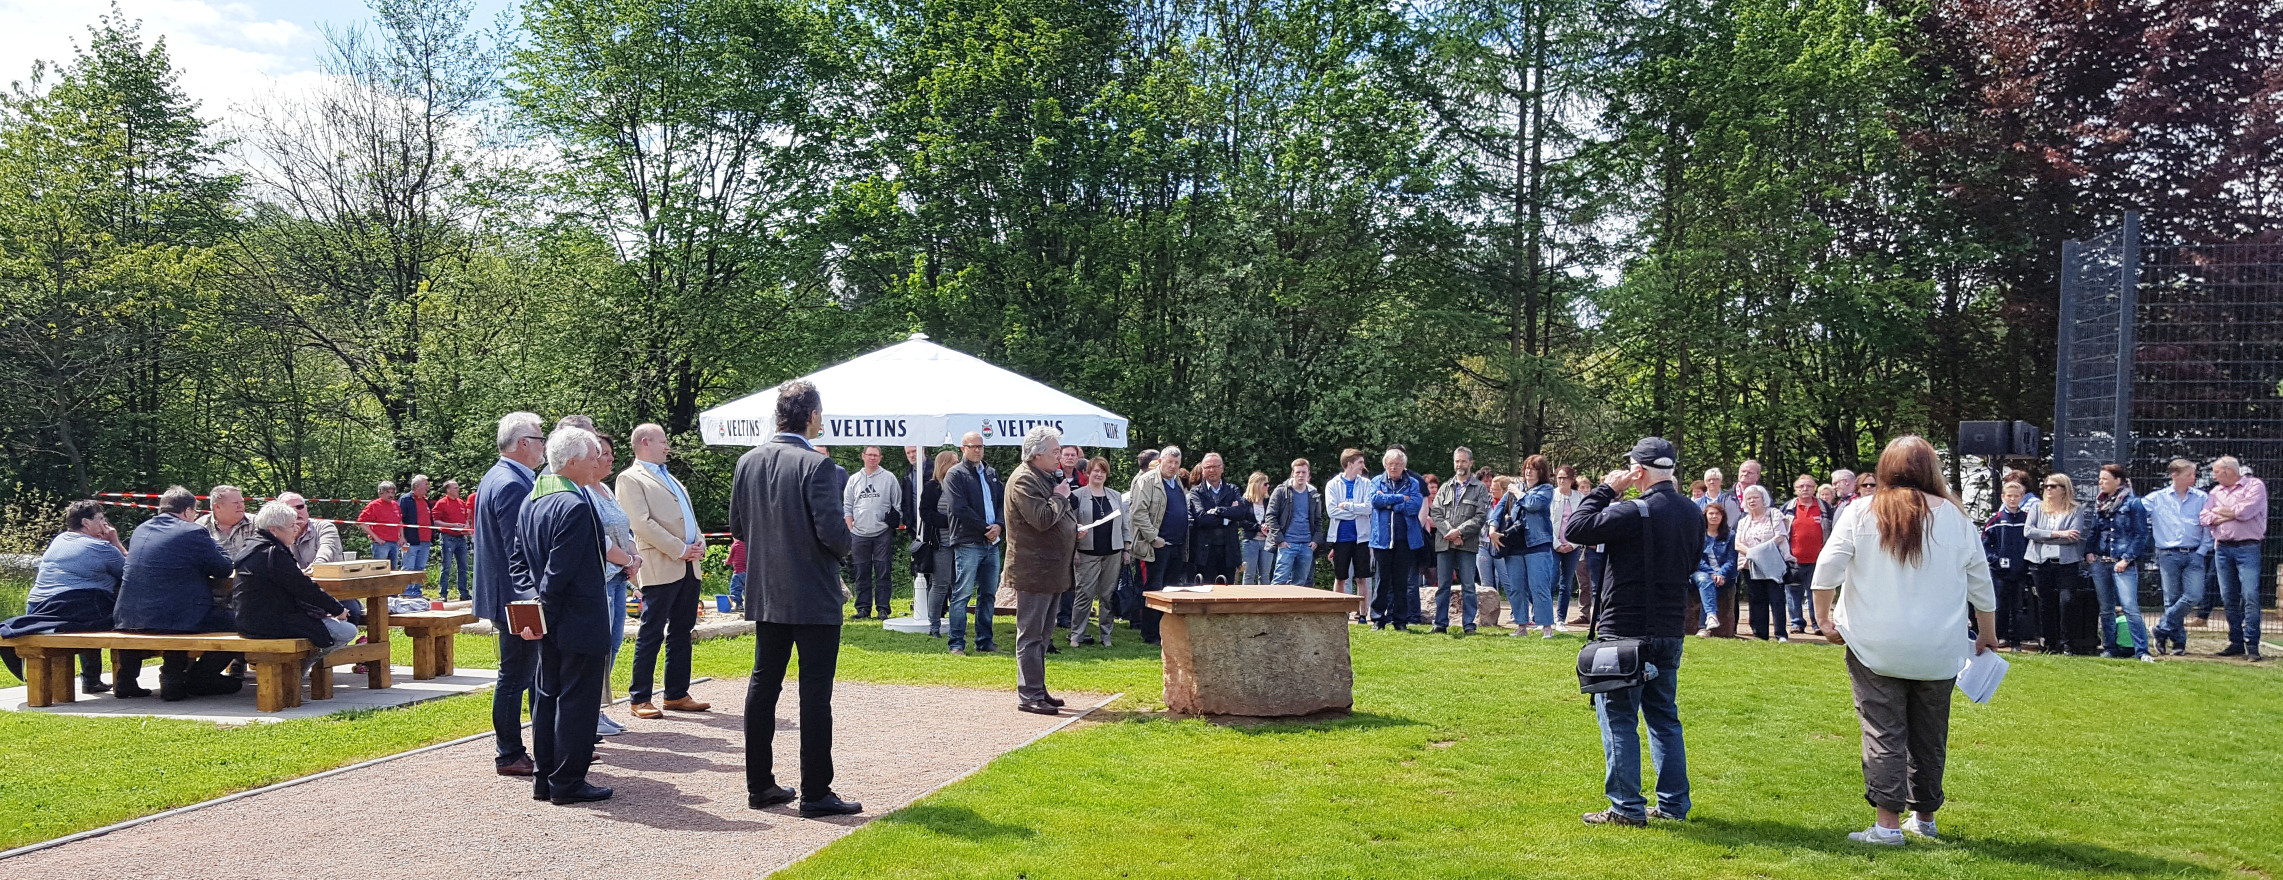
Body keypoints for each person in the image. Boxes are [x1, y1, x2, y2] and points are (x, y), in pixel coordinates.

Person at [1810, 435, 1997, 845]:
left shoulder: (1862, 510)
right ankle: (1924, 818)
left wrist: (1824, 619)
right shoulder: (1955, 517)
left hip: (1874, 645)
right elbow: (1981, 584)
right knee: (1930, 733)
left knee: (1883, 730)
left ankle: (1887, 826)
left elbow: (1826, 570)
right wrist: (1987, 632)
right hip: (1939, 648)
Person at [728, 379, 861, 818]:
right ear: (812, 416)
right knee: (814, 693)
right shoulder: (817, 465)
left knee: (763, 685)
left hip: (767, 591)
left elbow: (739, 527)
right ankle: (816, 792)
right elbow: (833, 534)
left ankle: (760, 784)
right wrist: (848, 542)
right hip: (812, 594)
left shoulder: (747, 461)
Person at [1565, 437, 1700, 827]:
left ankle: (1625, 807)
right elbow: (1693, 562)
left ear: (1637, 470)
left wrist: (1607, 489)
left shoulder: (1632, 510)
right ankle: (1673, 805)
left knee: (1618, 716)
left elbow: (1576, 528)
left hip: (1624, 629)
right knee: (1664, 717)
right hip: (1670, 628)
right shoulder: (1692, 512)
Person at [508, 426, 616, 806]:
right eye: (593, 457)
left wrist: (533, 611)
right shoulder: (574, 505)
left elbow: (518, 564)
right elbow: (559, 571)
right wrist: (543, 611)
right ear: (571, 462)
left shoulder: (532, 501)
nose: (598, 464)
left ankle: (545, 779)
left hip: (548, 621)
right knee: (576, 703)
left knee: (547, 697)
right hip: (577, 620)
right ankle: (568, 782)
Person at [617, 422, 712, 719]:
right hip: (660, 565)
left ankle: (676, 693)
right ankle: (640, 697)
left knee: (683, 630)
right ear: (645, 442)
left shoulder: (672, 478)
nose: (668, 446)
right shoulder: (630, 478)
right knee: (652, 630)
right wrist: (680, 549)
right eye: (663, 441)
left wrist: (699, 543)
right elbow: (640, 523)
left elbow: (688, 517)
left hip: (689, 565)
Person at [113, 486, 242, 701]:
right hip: (175, 617)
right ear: (188, 511)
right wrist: (211, 542)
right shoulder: (193, 532)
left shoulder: (141, 530)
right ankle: (197, 677)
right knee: (240, 622)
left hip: (129, 615)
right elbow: (224, 568)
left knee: (172, 611)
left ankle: (126, 680)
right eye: (194, 513)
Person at [475, 411, 548, 777]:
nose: (544, 446)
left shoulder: (499, 476)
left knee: (524, 674)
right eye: (540, 439)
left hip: (506, 594)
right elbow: (517, 550)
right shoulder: (511, 484)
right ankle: (509, 753)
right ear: (522, 443)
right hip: (515, 599)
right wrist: (531, 601)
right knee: (515, 677)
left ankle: (543, 746)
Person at [0, 500, 127, 694]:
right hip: (67, 609)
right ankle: (101, 679)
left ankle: (91, 679)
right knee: (101, 612)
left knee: (91, 608)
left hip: (36, 607)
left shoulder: (59, 540)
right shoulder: (101, 548)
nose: (106, 525)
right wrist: (116, 543)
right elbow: (131, 573)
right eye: (101, 519)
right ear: (86, 523)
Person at [232, 501, 361, 681]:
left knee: (323, 624)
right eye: (291, 525)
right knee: (347, 631)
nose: (296, 528)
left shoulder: (252, 546)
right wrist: (338, 610)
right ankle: (297, 671)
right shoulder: (273, 553)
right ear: (274, 530)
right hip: (271, 624)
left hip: (247, 620)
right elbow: (305, 589)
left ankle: (294, 671)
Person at [1004, 426, 1079, 715]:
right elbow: (1042, 518)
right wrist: (1060, 497)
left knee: (1043, 636)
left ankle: (1038, 689)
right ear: (1037, 455)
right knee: (1031, 635)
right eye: (1055, 452)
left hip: (1050, 569)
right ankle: (1029, 695)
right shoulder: (1024, 479)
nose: (1060, 456)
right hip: (1034, 569)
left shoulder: (1043, 477)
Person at [586, 434, 642, 736]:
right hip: (602, 579)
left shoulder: (605, 489)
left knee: (613, 645)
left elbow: (624, 528)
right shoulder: (585, 493)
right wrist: (627, 559)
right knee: (599, 648)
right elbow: (600, 540)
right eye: (604, 453)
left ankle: (595, 707)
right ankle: (587, 712)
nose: (610, 458)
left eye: (611, 453)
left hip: (618, 578)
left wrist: (634, 555)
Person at [943, 431, 1007, 655]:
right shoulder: (955, 474)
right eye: (973, 446)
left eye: (981, 446)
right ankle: (956, 643)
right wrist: (986, 529)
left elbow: (1002, 502)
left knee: (989, 594)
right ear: (963, 449)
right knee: (962, 594)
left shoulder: (991, 473)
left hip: (992, 542)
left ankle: (985, 641)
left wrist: (999, 525)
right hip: (969, 541)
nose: (978, 450)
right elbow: (959, 508)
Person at [2082, 463, 2153, 661]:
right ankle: (2110, 648)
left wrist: (2127, 559)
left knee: (2130, 606)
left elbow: (2141, 535)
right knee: (2106, 608)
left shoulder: (2133, 503)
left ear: (2118, 480)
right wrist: (2089, 551)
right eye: (2100, 479)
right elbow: (2095, 530)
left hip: (2122, 562)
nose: (2100, 482)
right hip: (2100, 561)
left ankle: (2142, 651)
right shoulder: (2100, 503)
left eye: (2105, 479)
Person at [2199, 456, 2266, 660]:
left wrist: (2219, 513)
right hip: (2222, 548)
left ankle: (2252, 643)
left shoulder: (2254, 486)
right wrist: (2228, 514)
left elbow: (2246, 511)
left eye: (2216, 472)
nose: (2213, 476)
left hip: (2248, 547)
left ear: (2228, 471)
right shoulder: (2215, 492)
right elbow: (2204, 517)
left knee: (2250, 595)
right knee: (2228, 597)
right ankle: (2236, 641)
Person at [2146, 459, 2212, 655]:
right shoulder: (2157, 498)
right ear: (2174, 475)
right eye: (2189, 474)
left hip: (2194, 553)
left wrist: (2202, 551)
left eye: (2194, 474)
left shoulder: (2202, 498)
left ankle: (2161, 628)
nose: (2194, 478)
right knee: (2172, 598)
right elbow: (2135, 510)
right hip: (2168, 554)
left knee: (2194, 595)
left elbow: (2207, 527)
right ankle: (2178, 643)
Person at [1492, 455, 1558, 637]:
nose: (1528, 471)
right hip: (1514, 545)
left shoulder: (1546, 489)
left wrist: (1517, 492)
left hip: (1538, 544)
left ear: (1541, 472)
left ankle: (1546, 627)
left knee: (1539, 586)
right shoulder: (1516, 488)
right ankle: (1521, 626)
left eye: (1533, 468)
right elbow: (1498, 511)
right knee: (1516, 587)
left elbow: (1532, 504)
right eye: (1527, 468)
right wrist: (1492, 530)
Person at [1128, 446, 1189, 644]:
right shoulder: (1147, 481)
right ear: (1160, 461)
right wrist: (1153, 537)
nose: (1173, 466)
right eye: (1169, 462)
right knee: (1154, 590)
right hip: (1156, 547)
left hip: (1176, 545)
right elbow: (1138, 512)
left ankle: (1166, 632)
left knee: (1170, 590)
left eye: (1176, 463)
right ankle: (1150, 634)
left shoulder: (1176, 482)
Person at [2024, 473, 2089, 655]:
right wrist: (2059, 534)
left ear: (2064, 489)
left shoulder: (2076, 510)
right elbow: (2028, 532)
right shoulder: (2037, 508)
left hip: (2066, 563)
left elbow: (2073, 536)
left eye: (2053, 486)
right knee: (2045, 602)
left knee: (2067, 601)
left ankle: (2068, 643)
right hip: (2040, 562)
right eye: (2046, 486)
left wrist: (2043, 536)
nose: (2048, 490)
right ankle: (2050, 644)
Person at [1429, 448, 1492, 635]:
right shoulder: (1445, 487)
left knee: (1468, 586)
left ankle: (1469, 625)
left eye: (1463, 461)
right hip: (1444, 542)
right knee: (1443, 585)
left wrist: (1460, 532)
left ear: (1471, 463)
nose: (1459, 465)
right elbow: (1436, 512)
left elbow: (1480, 516)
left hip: (1467, 543)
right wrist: (1449, 532)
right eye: (1457, 461)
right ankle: (1440, 624)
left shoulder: (1479, 488)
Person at [1070, 456, 1128, 647]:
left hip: (1113, 552)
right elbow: (1070, 525)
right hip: (1087, 552)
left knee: (1107, 595)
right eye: (1095, 470)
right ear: (1087, 473)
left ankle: (1106, 635)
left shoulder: (1115, 495)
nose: (1099, 474)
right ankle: (1076, 635)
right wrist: (1074, 550)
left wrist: (1127, 548)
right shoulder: (1077, 495)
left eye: (1103, 471)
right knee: (1084, 594)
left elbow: (1124, 524)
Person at [1368, 448, 1426, 631]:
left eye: (1398, 464)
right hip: (1382, 540)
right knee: (1382, 581)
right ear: (1385, 465)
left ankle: (1400, 620)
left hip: (1405, 540)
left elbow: (1414, 506)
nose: (1393, 467)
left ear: (1404, 466)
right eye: (1390, 464)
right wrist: (1400, 498)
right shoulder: (1376, 481)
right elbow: (1375, 501)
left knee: (1401, 582)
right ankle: (1378, 619)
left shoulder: (1413, 483)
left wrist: (1390, 505)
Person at [842, 445, 903, 619]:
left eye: (876, 455)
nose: (872, 458)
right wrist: (850, 527)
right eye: (869, 455)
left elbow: (898, 504)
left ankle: (883, 608)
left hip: (882, 532)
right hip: (859, 533)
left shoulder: (889, 478)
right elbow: (847, 506)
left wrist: (894, 522)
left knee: (883, 570)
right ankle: (863, 608)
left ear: (880, 458)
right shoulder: (854, 479)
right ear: (863, 456)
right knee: (862, 571)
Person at [1733, 485, 1792, 641]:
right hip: (1750, 565)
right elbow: (1737, 544)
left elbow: (1780, 536)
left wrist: (1759, 551)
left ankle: (1780, 634)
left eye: (1755, 497)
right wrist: (1753, 554)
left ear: (1763, 499)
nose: (1752, 501)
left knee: (1776, 599)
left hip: (1773, 563)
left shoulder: (1774, 514)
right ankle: (1760, 634)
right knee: (1756, 599)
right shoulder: (1743, 521)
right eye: (1749, 498)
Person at [1323, 449, 1375, 621]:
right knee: (1340, 577)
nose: (1363, 466)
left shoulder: (1366, 484)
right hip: (1341, 538)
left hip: (1362, 538)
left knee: (1362, 578)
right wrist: (1356, 512)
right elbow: (1332, 511)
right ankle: (1338, 612)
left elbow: (1369, 508)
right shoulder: (1333, 485)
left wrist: (1348, 506)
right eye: (1360, 462)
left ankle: (1362, 614)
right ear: (1350, 464)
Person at [1981, 480, 2033, 646]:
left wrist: (2025, 562)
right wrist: (1994, 560)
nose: (2012, 499)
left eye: (2016, 496)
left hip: (2020, 570)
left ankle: (2016, 640)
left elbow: (2031, 542)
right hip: (1999, 572)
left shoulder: (2026, 519)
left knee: (2017, 606)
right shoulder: (1995, 519)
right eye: (2009, 496)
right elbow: (1985, 544)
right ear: (2003, 497)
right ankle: (1999, 637)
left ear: (2022, 497)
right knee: (2000, 605)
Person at [1187, 453, 1250, 585]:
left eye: (1216, 466)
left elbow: (1241, 512)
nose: (1212, 470)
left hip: (1229, 551)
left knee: (1228, 592)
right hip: (1205, 553)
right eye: (1208, 467)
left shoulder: (1232, 489)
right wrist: (1227, 517)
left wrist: (1218, 510)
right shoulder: (1196, 492)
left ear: (1222, 468)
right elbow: (1202, 518)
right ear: (1202, 470)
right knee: (1207, 591)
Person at [1782, 474, 1831, 636]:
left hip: (1819, 560)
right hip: (1793, 559)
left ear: (1814, 489)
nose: (1805, 489)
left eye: (1809, 486)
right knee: (1793, 593)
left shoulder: (1824, 508)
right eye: (1801, 486)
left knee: (1815, 593)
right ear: (1795, 489)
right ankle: (1796, 623)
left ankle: (1817, 624)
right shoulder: (1788, 508)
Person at [1263, 458, 1322, 586]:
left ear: (1308, 474)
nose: (1301, 475)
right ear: (1292, 474)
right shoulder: (1281, 491)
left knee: (1301, 584)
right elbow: (1270, 516)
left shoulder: (1313, 494)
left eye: (1304, 472)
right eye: (1298, 472)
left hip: (1307, 545)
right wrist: (1280, 540)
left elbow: (1318, 520)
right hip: (1287, 544)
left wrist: (1315, 540)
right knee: (1279, 582)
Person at [920, 450, 958, 634]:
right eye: (954, 462)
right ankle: (934, 624)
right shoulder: (932, 487)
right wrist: (947, 522)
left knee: (959, 586)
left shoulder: (961, 485)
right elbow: (925, 512)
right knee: (940, 584)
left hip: (962, 542)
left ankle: (957, 624)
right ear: (944, 465)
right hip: (941, 542)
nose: (958, 465)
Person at [1692, 503, 1736, 637]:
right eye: (1711, 513)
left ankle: (1704, 628)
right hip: (1700, 572)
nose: (1714, 516)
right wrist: (1711, 573)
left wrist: (1720, 574)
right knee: (1705, 580)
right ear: (1705, 516)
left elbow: (1731, 560)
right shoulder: (1698, 534)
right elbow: (1696, 558)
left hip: (1724, 575)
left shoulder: (1730, 535)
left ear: (1723, 517)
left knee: (1710, 584)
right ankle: (1710, 617)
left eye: (1718, 514)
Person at [270, 492, 342, 568]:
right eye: (289, 509)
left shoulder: (325, 527)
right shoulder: (278, 533)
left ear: (306, 508)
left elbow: (328, 548)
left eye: (300, 507)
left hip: (327, 574)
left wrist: (317, 565)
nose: (296, 511)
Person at [1552, 465, 1583, 628]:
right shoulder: (1551, 495)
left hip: (1573, 546)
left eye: (1564, 478)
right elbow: (1547, 523)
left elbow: (1583, 522)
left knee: (1566, 583)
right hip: (1554, 545)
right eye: (1559, 478)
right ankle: (1543, 617)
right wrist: (1557, 544)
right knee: (1551, 580)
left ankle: (1561, 619)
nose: (1561, 481)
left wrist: (1572, 544)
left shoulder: (1580, 497)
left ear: (1571, 479)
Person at [432, 478, 472, 602]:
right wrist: (452, 525)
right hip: (448, 537)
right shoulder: (442, 503)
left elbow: (466, 518)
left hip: (461, 538)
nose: (458, 490)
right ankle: (443, 593)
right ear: (448, 490)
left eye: (458, 487)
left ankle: (464, 593)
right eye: (455, 488)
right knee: (446, 566)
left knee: (463, 566)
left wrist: (466, 527)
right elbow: (436, 521)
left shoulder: (461, 502)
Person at [198, 485, 260, 559]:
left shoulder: (257, 523)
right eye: (235, 503)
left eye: (242, 502)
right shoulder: (200, 526)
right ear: (217, 507)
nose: (241, 506)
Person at [398, 475, 436, 591]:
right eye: (426, 484)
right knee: (408, 567)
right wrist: (401, 537)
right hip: (410, 540)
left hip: (425, 540)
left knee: (420, 568)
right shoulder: (406, 499)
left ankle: (416, 591)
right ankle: (406, 591)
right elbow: (399, 519)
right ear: (417, 486)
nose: (428, 487)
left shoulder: (426, 501)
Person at [359, 482, 406, 570]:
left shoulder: (395, 504)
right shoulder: (374, 505)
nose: (391, 495)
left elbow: (400, 521)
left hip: (395, 543)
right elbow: (361, 522)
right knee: (379, 570)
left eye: (392, 492)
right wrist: (376, 538)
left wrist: (402, 537)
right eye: (388, 492)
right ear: (380, 493)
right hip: (381, 544)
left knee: (393, 570)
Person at [1239, 472, 1274, 584]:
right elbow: (1241, 521)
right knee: (1249, 574)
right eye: (1265, 484)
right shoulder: (1244, 501)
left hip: (1266, 541)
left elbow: (1274, 517)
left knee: (1265, 575)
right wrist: (1258, 527)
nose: (1268, 486)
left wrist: (1267, 525)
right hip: (1250, 541)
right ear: (1257, 485)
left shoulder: (1269, 501)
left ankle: (1265, 595)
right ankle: (1246, 595)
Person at [727, 539, 749, 614]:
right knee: (748, 590)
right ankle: (750, 606)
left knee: (735, 589)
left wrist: (727, 562)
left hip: (738, 572)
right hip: (748, 572)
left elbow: (730, 558)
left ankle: (739, 605)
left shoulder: (735, 545)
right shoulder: (748, 544)